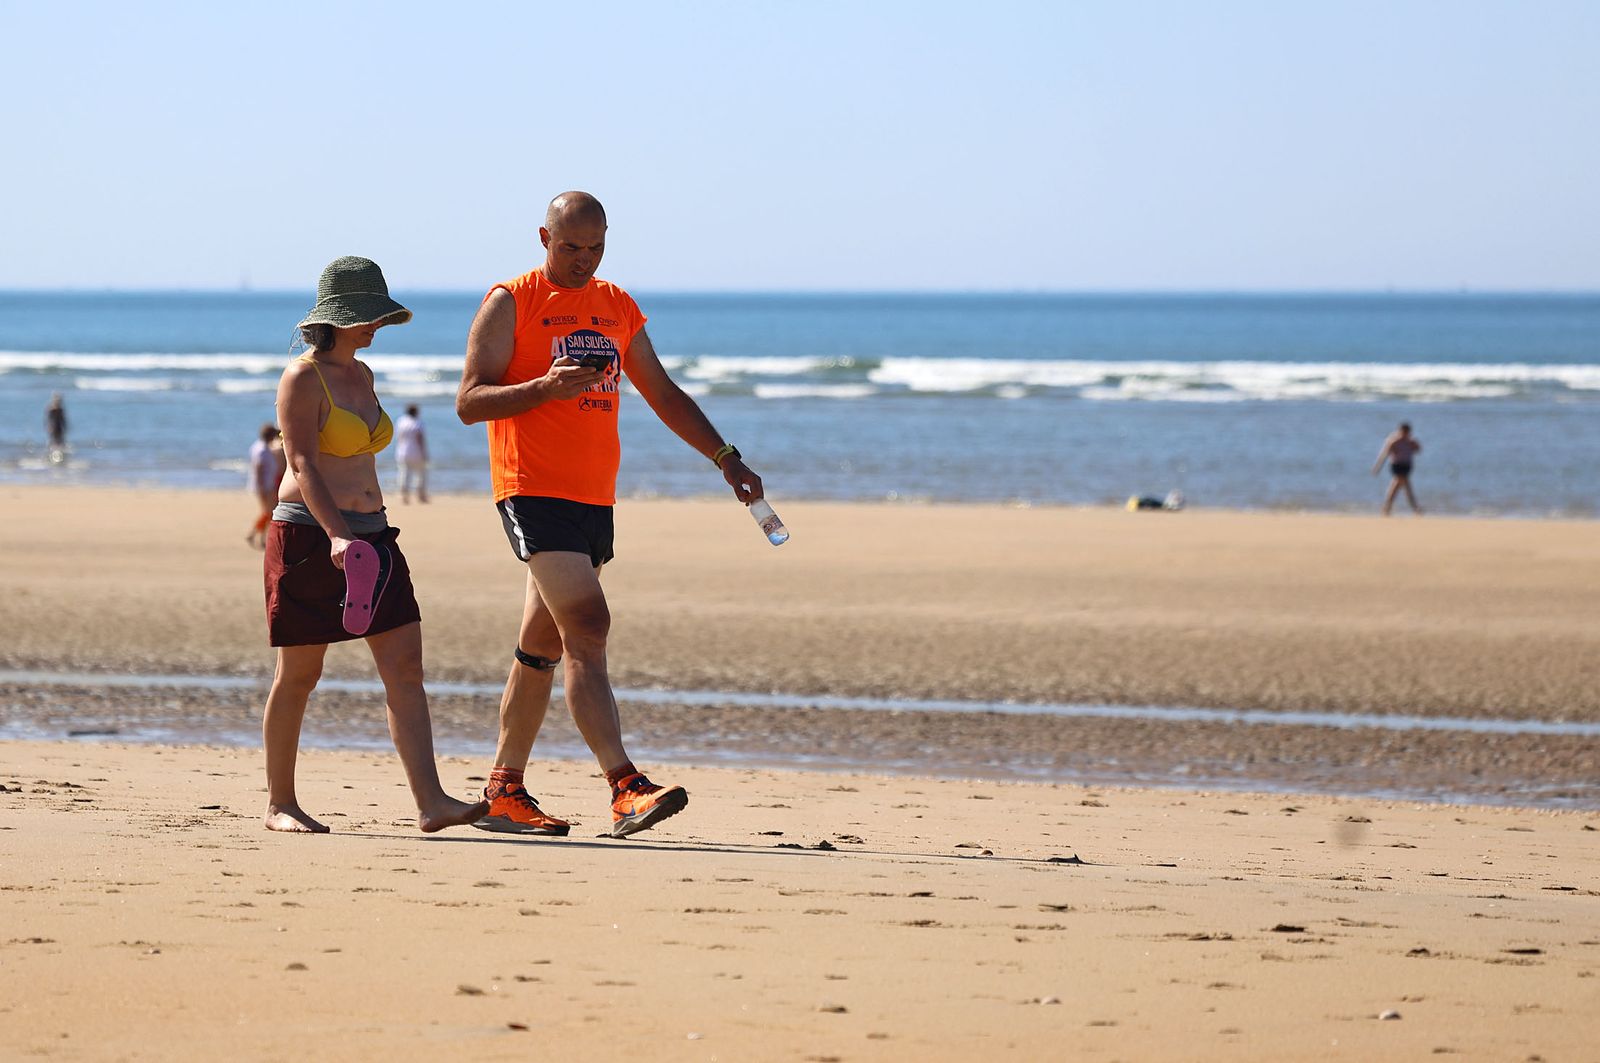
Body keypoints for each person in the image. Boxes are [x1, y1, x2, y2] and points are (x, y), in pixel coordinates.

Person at [455, 191, 767, 838]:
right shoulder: (511, 300)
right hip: (531, 488)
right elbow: (469, 401)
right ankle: (625, 786)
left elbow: (662, 391)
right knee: (588, 625)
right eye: (570, 247)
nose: (583, 259)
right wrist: (545, 387)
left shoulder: (617, 305)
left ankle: (504, 791)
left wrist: (725, 457)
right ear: (544, 236)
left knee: (540, 644)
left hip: (593, 497)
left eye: (595, 247)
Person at [262, 256, 487, 834]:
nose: (373, 327)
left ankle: (431, 802)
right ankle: (280, 804)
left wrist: (360, 532)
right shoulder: (301, 377)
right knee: (299, 674)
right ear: (333, 318)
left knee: (405, 667)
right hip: (313, 535)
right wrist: (336, 532)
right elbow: (303, 462)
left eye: (376, 318)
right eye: (364, 317)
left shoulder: (361, 375)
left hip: (374, 536)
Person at [246, 423, 287, 548]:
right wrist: (262, 488)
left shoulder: (261, 447)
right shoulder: (262, 449)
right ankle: (255, 535)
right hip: (265, 486)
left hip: (267, 485)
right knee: (268, 512)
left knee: (268, 512)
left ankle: (259, 536)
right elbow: (258, 469)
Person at [1372, 421, 1423, 516]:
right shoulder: (1394, 441)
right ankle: (1415, 508)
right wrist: (1377, 467)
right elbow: (1384, 455)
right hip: (1397, 466)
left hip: (1407, 466)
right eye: (1403, 431)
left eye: (1407, 432)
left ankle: (1387, 507)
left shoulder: (1410, 441)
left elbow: (1418, 450)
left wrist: (1413, 443)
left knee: (1397, 486)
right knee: (1404, 485)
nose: (1405, 434)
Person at [394, 404, 429, 503]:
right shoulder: (418, 423)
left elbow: (398, 436)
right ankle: (420, 495)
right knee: (420, 474)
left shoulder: (401, 421)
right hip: (416, 451)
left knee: (404, 474)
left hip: (402, 451)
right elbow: (420, 440)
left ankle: (404, 495)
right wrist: (425, 452)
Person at [45, 393, 67, 463]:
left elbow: (63, 420)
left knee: (61, 442)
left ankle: (61, 456)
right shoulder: (51, 409)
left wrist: (65, 427)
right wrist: (48, 426)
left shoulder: (61, 409)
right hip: (54, 427)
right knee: (53, 441)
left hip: (59, 427)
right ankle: (52, 455)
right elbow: (48, 419)